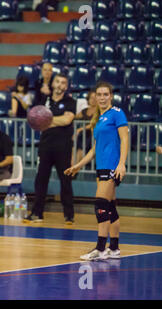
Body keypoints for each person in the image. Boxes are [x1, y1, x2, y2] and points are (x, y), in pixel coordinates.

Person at [65, 81, 129, 261]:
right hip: (101, 166)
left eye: (105, 94)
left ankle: (100, 249)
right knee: (110, 207)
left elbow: (125, 139)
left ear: (111, 96)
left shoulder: (117, 114)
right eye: (99, 95)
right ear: (95, 97)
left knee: (100, 204)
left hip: (112, 166)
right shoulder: (99, 119)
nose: (102, 98)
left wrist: (121, 164)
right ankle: (114, 249)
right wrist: (78, 165)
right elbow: (94, 149)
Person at [23, 73, 76, 224]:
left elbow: (67, 120)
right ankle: (37, 213)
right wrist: (50, 121)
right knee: (41, 180)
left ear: (66, 86)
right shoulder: (43, 100)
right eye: (57, 82)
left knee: (65, 181)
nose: (59, 85)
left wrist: (46, 120)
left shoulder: (70, 101)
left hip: (63, 147)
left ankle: (69, 215)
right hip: (45, 146)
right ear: (53, 84)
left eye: (63, 83)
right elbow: (35, 121)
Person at [73, 90, 96, 164]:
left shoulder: (99, 111)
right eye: (91, 98)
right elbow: (74, 117)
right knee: (73, 146)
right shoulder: (84, 111)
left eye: (95, 98)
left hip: (91, 135)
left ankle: (74, 168)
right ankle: (71, 168)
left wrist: (80, 129)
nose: (93, 100)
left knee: (81, 148)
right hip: (82, 134)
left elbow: (94, 123)